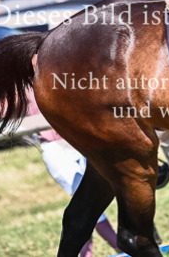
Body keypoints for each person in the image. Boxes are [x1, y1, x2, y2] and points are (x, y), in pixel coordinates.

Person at [25, 90, 118, 256]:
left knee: (87, 202)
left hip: (77, 141)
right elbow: (7, 113)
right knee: (85, 201)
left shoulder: (57, 70)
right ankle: (117, 244)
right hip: (54, 147)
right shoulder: (22, 82)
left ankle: (86, 253)